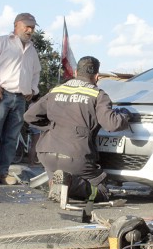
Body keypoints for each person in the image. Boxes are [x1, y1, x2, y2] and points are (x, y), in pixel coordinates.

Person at [24, 56, 130, 205]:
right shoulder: (97, 95)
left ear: (75, 72)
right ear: (97, 77)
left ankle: (58, 183)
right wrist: (125, 115)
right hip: (76, 157)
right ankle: (69, 184)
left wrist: (53, 128)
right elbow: (112, 124)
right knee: (102, 191)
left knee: (61, 174)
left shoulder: (56, 91)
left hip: (47, 154)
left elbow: (30, 116)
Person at [0, 13, 41, 185]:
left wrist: (33, 90)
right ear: (16, 25)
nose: (30, 30)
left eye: (32, 28)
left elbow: (36, 73)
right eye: (27, 26)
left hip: (20, 99)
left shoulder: (32, 50)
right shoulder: (1, 42)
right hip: (0, 93)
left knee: (11, 137)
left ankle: (2, 173)